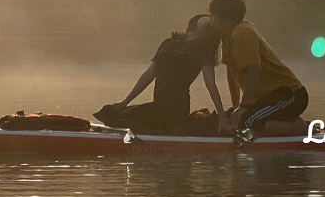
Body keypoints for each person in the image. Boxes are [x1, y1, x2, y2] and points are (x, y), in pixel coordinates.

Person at [94, 14, 228, 135]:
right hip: (158, 103)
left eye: (210, 20)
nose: (208, 18)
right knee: (114, 113)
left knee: (126, 118)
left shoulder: (203, 49)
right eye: (207, 16)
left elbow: (210, 84)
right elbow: (149, 74)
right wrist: (125, 101)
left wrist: (222, 115)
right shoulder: (168, 43)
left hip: (176, 106)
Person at [208, 0, 309, 140]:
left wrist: (244, 107)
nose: (210, 20)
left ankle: (299, 127)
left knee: (246, 123)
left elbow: (254, 70)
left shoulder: (242, 33)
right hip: (269, 98)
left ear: (227, 20)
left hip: (289, 95)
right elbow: (233, 73)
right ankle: (288, 123)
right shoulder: (226, 34)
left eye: (213, 17)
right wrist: (237, 106)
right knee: (233, 117)